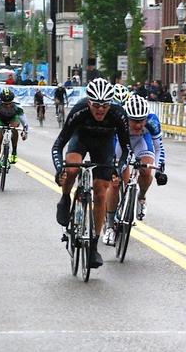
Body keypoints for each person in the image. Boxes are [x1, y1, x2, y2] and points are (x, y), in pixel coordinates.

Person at [51, 78, 131, 269]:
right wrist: (59, 169)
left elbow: (127, 149)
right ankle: (65, 199)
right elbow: (58, 145)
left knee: (101, 190)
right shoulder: (79, 111)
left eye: (105, 105)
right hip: (81, 138)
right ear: (89, 102)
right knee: (72, 168)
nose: (100, 110)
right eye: (96, 105)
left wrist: (118, 170)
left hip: (104, 145)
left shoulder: (118, 115)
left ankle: (93, 246)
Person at [102, 94, 167, 245]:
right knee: (115, 182)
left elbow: (159, 148)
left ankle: (141, 197)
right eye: (134, 121)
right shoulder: (118, 117)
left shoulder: (152, 120)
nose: (138, 125)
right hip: (120, 143)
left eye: (141, 121)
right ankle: (110, 226)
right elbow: (109, 145)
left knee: (146, 171)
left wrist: (159, 170)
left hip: (142, 142)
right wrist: (113, 166)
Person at [0, 88, 29, 182]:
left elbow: (25, 123)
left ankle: (14, 152)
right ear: (1, 102)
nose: (8, 105)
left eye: (9, 103)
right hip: (1, 120)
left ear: (13, 101)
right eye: (5, 104)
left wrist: (25, 133)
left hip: (13, 119)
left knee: (14, 128)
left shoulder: (17, 107)